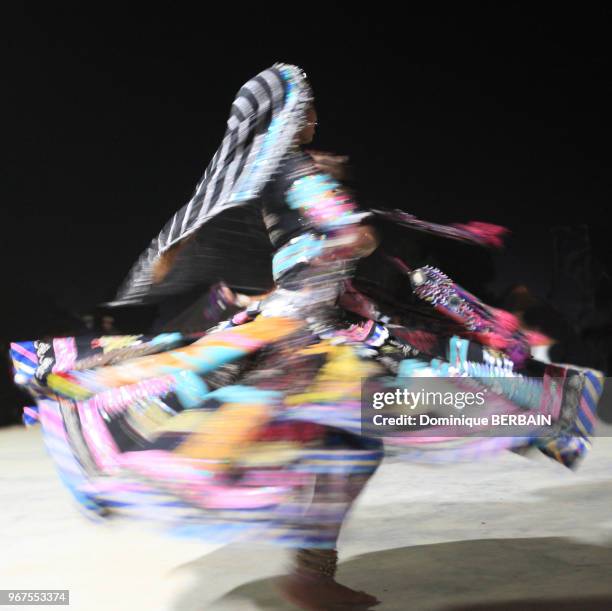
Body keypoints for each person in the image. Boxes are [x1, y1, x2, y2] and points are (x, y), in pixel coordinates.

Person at [10, 63, 604, 611]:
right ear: (288, 115)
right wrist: (362, 231)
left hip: (316, 321)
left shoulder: (272, 171)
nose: (314, 115)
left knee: (348, 439)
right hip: (315, 331)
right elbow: (340, 233)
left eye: (314, 106)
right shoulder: (292, 169)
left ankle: (312, 570)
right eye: (307, 106)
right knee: (366, 431)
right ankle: (310, 572)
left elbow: (309, 242)